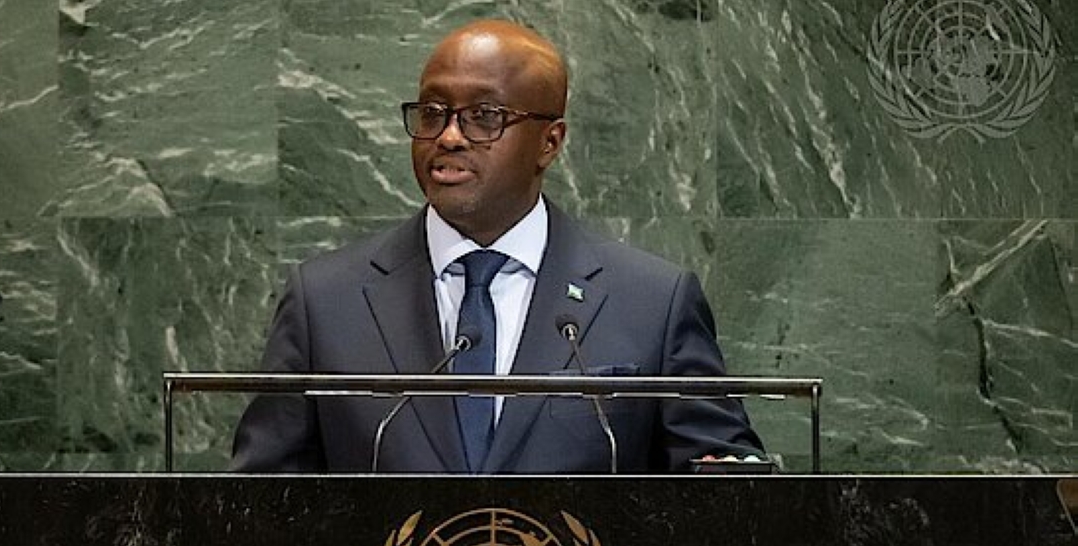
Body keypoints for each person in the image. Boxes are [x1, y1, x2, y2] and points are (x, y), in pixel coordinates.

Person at [232, 19, 763, 473]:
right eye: (433, 112)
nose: (449, 137)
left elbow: (721, 484)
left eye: (484, 116)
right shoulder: (325, 300)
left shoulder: (653, 302)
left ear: (549, 142)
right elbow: (257, 504)